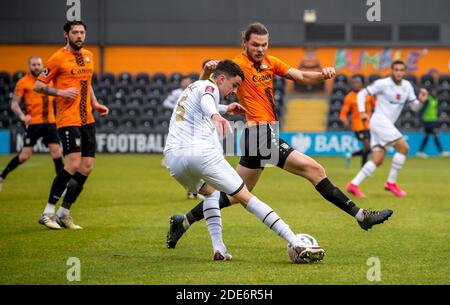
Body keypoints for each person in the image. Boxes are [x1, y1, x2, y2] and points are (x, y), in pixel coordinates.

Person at [166, 22, 393, 249]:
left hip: (263, 133)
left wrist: (322, 75)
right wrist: (208, 70)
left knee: (236, 194)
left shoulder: (270, 63)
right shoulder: (235, 65)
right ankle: (361, 216)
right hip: (258, 133)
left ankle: (183, 222)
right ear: (245, 43)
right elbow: (205, 87)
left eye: (264, 45)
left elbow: (301, 76)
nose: (260, 49)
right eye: (255, 44)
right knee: (314, 170)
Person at [164, 60, 325, 261]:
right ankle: (296, 242)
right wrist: (216, 115)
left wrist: (224, 109)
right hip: (200, 153)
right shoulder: (210, 87)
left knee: (210, 194)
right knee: (246, 197)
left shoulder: (192, 87)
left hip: (174, 160)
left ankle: (219, 249)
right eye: (234, 85)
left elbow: (201, 99)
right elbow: (207, 98)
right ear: (222, 78)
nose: (234, 91)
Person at [34, 20, 109, 229]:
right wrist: (61, 92)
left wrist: (95, 103)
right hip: (68, 119)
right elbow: (38, 85)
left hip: (87, 119)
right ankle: (47, 212)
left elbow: (87, 82)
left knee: (86, 167)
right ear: (66, 34)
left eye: (82, 32)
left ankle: (64, 213)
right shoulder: (58, 58)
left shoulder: (89, 56)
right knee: (73, 164)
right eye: (75, 32)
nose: (79, 35)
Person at [346, 60, 428, 198]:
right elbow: (361, 94)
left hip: (385, 125)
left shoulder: (407, 86)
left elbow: (414, 107)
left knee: (378, 159)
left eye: (402, 70)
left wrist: (421, 101)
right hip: (379, 121)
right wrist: (361, 112)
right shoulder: (382, 84)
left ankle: (353, 185)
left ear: (405, 72)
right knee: (404, 148)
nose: (399, 72)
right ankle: (391, 182)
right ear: (392, 70)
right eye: (396, 69)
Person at [0, 56, 64, 192]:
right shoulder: (23, 82)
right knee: (25, 156)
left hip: (50, 123)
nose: (36, 67)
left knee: (57, 153)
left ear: (42, 65)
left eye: (38, 64)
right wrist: (23, 116)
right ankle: (2, 176)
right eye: (33, 64)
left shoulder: (50, 80)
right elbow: (14, 104)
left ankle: (62, 185)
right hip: (34, 123)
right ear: (29, 66)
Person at [160, 74, 201, 199]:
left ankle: (192, 190)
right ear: (181, 82)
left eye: (188, 81)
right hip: (178, 122)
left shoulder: (193, 92)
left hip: (190, 125)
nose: (186, 83)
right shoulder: (176, 93)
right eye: (185, 81)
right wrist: (177, 108)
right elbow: (166, 102)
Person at [340, 75, 376, 168]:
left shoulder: (368, 94)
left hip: (368, 124)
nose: (355, 85)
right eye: (353, 83)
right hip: (357, 125)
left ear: (361, 84)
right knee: (367, 146)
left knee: (369, 148)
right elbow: (344, 112)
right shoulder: (349, 97)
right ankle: (364, 168)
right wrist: (344, 120)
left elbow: (376, 106)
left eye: (357, 83)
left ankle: (350, 155)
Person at [416, 86, 449, 158]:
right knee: (434, 135)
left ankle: (420, 152)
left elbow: (434, 110)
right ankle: (441, 151)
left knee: (427, 136)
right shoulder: (428, 100)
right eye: (433, 91)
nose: (434, 92)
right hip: (427, 121)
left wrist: (440, 114)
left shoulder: (435, 100)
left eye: (435, 91)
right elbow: (422, 109)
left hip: (433, 120)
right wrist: (420, 119)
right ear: (430, 92)